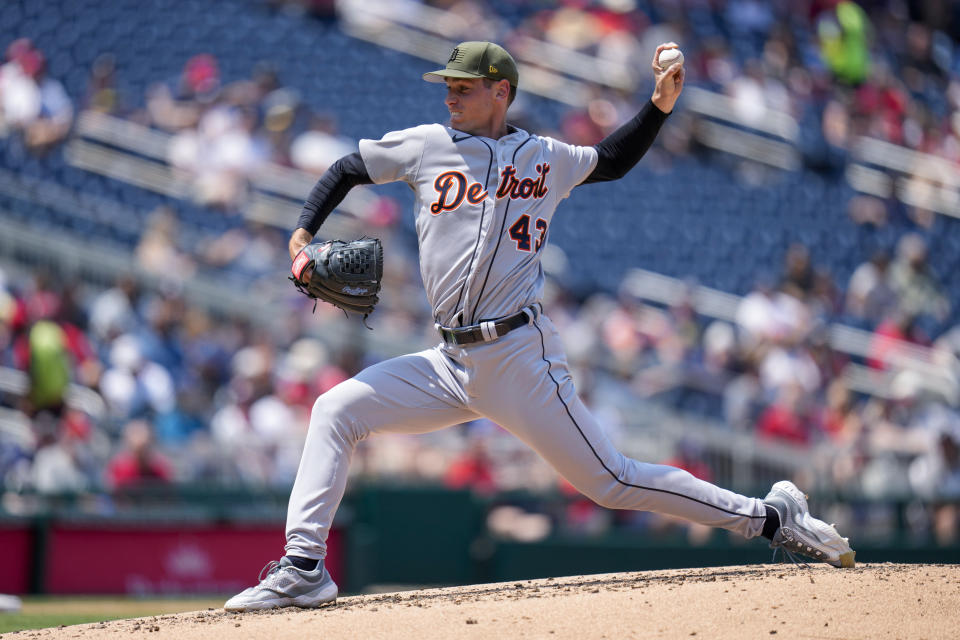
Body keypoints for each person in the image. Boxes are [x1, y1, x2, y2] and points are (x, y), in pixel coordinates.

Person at [225, 41, 855, 612]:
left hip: (520, 357)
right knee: (336, 410)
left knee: (612, 482)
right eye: (446, 84)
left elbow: (610, 160)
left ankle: (770, 517)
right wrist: (304, 232)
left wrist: (658, 108)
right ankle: (305, 568)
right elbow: (346, 169)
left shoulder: (545, 157)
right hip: (448, 363)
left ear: (502, 91)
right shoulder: (426, 144)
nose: (449, 95)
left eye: (463, 86)